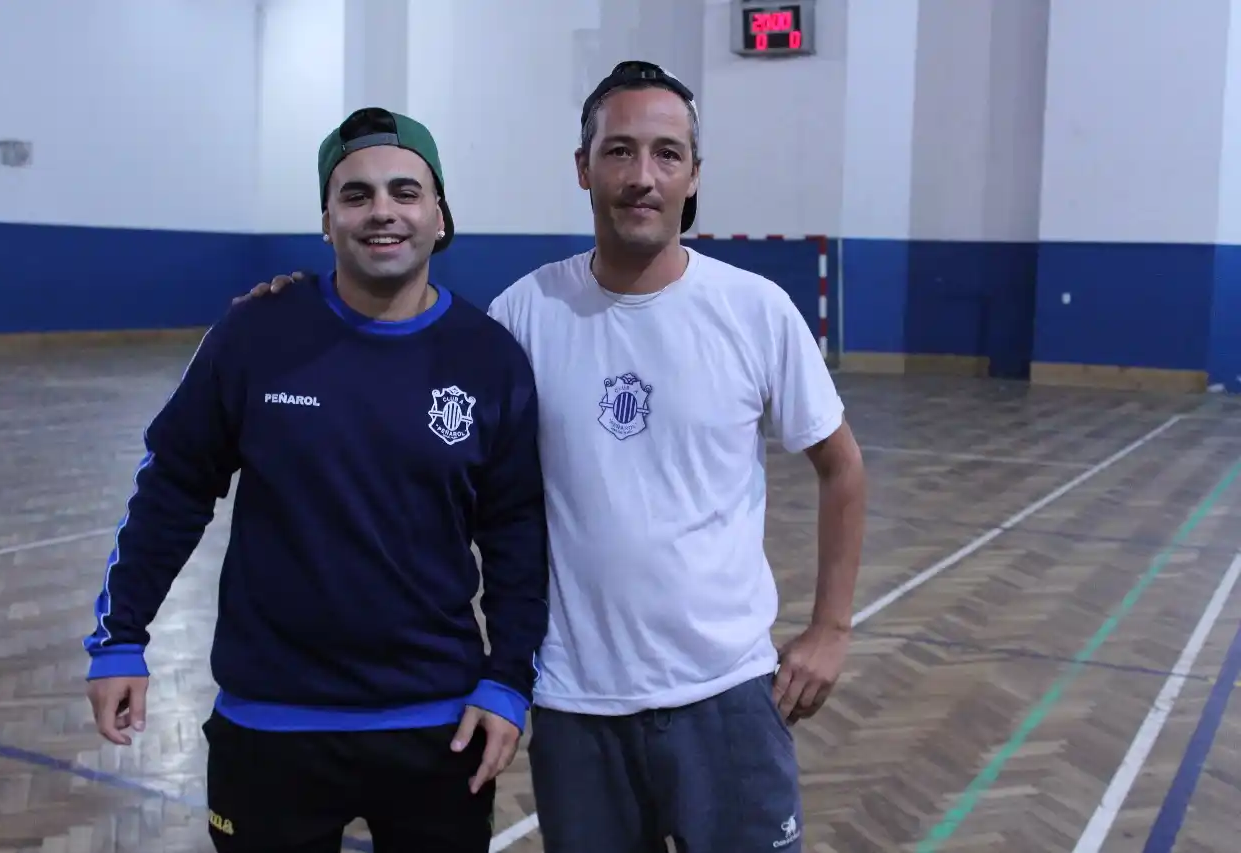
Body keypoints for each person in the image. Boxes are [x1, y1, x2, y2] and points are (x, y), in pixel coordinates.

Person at [241, 61, 866, 853]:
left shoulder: (755, 311)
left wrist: (833, 627)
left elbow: (841, 466)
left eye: (668, 154)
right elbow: (397, 357)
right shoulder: (524, 315)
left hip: (728, 693)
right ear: (583, 167)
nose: (643, 176)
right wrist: (303, 305)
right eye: (620, 151)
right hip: (576, 705)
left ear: (694, 174)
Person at [82, 106, 549, 853]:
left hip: (438, 723)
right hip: (270, 721)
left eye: (405, 191)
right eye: (355, 195)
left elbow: (518, 533)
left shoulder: (488, 358)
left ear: (439, 215)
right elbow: (173, 486)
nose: (382, 212)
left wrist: (508, 679)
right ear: (327, 219)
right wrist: (120, 637)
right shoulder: (255, 334)